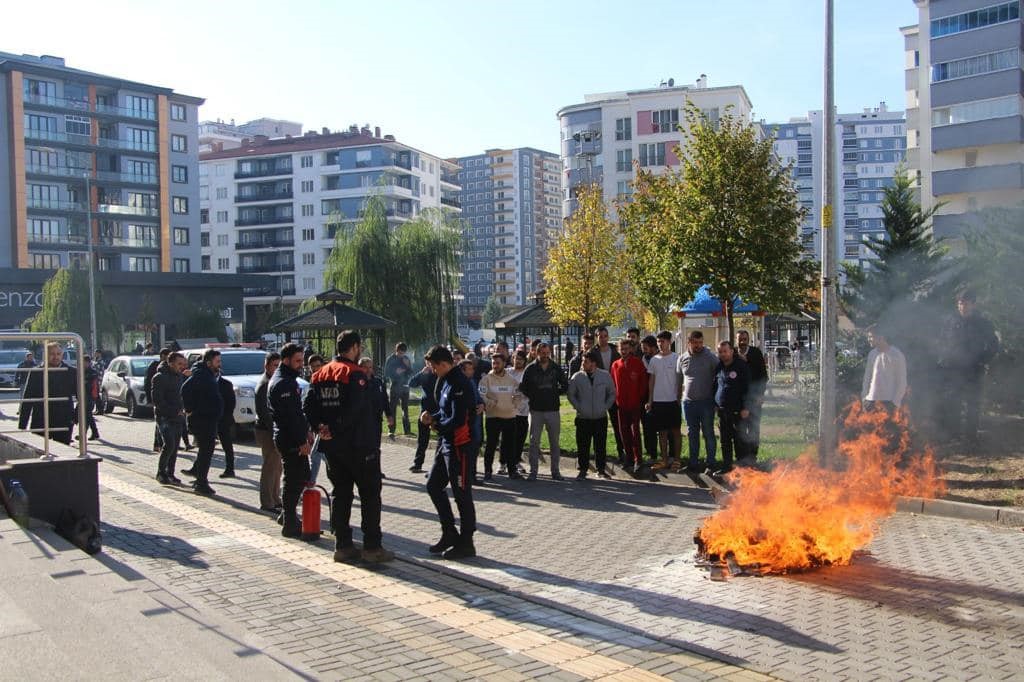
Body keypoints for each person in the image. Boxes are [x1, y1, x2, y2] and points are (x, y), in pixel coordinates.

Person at [303, 331, 393, 563]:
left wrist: (320, 427)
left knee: (341, 494)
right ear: (354, 347)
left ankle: (342, 545)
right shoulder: (355, 374)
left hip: (332, 447)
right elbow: (355, 410)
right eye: (359, 347)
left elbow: (308, 405)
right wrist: (335, 427)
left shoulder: (320, 374)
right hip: (358, 445)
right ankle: (372, 547)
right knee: (370, 495)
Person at [420, 344, 478, 560]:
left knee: (462, 494)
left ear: (443, 364)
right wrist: (432, 416)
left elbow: (458, 419)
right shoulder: (445, 381)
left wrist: (436, 424)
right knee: (434, 485)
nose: (433, 371)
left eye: (434, 367)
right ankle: (449, 532)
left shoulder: (459, 383)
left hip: (460, 445)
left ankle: (467, 542)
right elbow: (445, 410)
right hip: (446, 443)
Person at [937, 289, 999, 447]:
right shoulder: (950, 321)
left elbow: (993, 345)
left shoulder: (983, 323)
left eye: (964, 302)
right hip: (954, 370)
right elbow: (942, 341)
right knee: (953, 402)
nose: (961, 305)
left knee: (973, 403)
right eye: (959, 302)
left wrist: (982, 361)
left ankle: (971, 437)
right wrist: (944, 358)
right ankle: (953, 435)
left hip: (974, 370)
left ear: (973, 304)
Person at [270, 343, 312, 537]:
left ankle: (288, 515)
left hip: (290, 435)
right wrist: (301, 441)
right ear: (286, 360)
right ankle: (289, 522)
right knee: (293, 479)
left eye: (301, 360)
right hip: (289, 438)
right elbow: (291, 417)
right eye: (297, 360)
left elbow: (297, 414)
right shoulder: (283, 382)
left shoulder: (287, 379)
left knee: (301, 474)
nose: (300, 364)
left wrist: (306, 432)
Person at [519, 342, 568, 481]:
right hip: (536, 410)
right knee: (534, 442)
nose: (545, 355)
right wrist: (534, 395)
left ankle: (555, 471)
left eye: (547, 353)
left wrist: (554, 393)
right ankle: (533, 471)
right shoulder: (530, 369)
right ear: (536, 352)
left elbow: (565, 385)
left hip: (553, 409)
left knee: (554, 442)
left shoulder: (556, 367)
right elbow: (523, 387)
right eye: (542, 353)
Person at [180, 349, 224, 496]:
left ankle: (197, 473)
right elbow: (185, 389)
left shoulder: (208, 374)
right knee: (206, 450)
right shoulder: (201, 374)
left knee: (206, 450)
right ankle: (201, 483)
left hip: (209, 418)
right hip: (202, 419)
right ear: (208, 362)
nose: (219, 364)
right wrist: (190, 409)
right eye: (217, 362)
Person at [567, 350, 616, 479]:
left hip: (600, 417)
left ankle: (601, 469)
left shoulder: (605, 376)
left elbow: (612, 393)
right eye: (583, 361)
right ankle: (583, 469)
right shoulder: (577, 377)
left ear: (594, 363)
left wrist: (605, 407)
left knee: (600, 445)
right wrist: (579, 407)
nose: (583, 364)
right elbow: (571, 394)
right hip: (583, 418)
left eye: (586, 362)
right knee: (583, 445)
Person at [19, 342, 77, 445]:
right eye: (52, 354)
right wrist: (22, 425)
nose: (55, 357)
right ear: (45, 355)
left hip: (63, 420)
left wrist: (76, 417)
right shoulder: (36, 372)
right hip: (41, 420)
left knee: (62, 454)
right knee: (39, 452)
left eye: (58, 354)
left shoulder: (71, 372)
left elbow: (82, 396)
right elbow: (27, 399)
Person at [678, 330, 718, 473]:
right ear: (689, 342)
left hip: (706, 402)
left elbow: (720, 375)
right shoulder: (682, 358)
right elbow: (679, 380)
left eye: (701, 342)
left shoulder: (710, 357)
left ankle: (711, 463)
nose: (698, 345)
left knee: (708, 432)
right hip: (688, 404)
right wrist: (679, 399)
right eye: (695, 343)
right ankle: (693, 463)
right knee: (692, 433)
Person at [478, 353, 520, 481]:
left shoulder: (511, 380)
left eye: (498, 363)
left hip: (509, 416)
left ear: (504, 363)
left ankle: (512, 471)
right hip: (493, 417)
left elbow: (518, 394)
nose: (495, 365)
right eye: (493, 363)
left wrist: (514, 405)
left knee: (510, 445)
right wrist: (491, 404)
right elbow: (482, 395)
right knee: (491, 445)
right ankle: (488, 471)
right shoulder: (486, 379)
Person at [646, 331, 682, 471]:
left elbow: (680, 379)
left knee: (676, 431)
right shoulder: (654, 360)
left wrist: (679, 397)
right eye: (659, 341)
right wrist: (650, 400)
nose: (661, 344)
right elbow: (651, 381)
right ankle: (664, 459)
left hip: (673, 401)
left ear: (669, 342)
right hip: (658, 401)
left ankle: (677, 460)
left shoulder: (676, 358)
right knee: (662, 432)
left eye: (663, 341)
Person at [610, 339, 648, 473]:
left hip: (635, 404)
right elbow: (613, 384)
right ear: (619, 350)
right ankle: (629, 458)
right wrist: (616, 399)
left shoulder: (637, 363)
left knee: (635, 432)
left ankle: (639, 459)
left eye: (626, 349)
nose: (624, 351)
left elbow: (643, 383)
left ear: (631, 349)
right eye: (622, 349)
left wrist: (640, 399)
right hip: (621, 405)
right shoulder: (615, 365)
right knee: (623, 432)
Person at [713, 340, 750, 475]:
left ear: (731, 351)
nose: (722, 354)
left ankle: (742, 470)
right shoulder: (719, 367)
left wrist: (746, 407)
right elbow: (715, 386)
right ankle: (727, 467)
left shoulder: (740, 366)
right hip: (723, 411)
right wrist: (715, 404)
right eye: (720, 352)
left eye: (725, 351)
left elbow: (747, 388)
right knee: (725, 441)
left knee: (739, 441)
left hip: (738, 411)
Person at [254, 351, 283, 512]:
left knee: (277, 467)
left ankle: (275, 498)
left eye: (279, 366)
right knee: (270, 467)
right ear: (266, 366)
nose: (277, 368)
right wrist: (274, 431)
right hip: (266, 431)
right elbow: (264, 412)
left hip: (272, 429)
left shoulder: (273, 381)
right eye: (274, 365)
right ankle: (267, 502)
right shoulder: (265, 383)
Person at [152, 352, 187, 485]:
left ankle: (170, 473)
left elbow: (181, 395)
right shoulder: (159, 377)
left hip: (178, 417)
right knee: (169, 445)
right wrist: (173, 411)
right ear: (170, 363)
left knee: (175, 446)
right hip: (164, 417)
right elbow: (158, 401)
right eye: (179, 364)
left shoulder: (179, 376)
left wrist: (183, 409)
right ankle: (161, 473)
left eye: (183, 364)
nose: (182, 367)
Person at [736, 330, 768, 460]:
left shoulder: (755, 352)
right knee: (739, 429)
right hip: (738, 399)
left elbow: (763, 376)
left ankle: (752, 455)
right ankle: (741, 456)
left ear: (748, 339)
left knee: (753, 427)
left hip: (754, 398)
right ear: (736, 339)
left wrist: (761, 395)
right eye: (740, 339)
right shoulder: (732, 352)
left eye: (745, 339)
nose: (743, 341)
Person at [861, 326, 907, 413]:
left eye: (871, 337)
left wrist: (895, 402)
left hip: (888, 402)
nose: (869, 339)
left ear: (881, 337)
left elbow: (902, 381)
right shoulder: (872, 354)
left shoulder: (897, 355)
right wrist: (864, 398)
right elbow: (867, 378)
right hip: (871, 402)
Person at [408, 362, 437, 473]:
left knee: (442, 440)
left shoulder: (440, 374)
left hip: (439, 411)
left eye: (431, 362)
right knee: (422, 440)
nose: (429, 365)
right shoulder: (425, 374)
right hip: (425, 411)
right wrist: (421, 373)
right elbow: (411, 383)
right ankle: (418, 464)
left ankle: (437, 467)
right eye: (427, 363)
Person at [507, 350, 530, 476]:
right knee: (508, 438)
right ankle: (504, 462)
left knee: (520, 438)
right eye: (516, 358)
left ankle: (516, 461)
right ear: (512, 359)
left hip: (523, 411)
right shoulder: (507, 372)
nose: (518, 361)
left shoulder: (527, 372)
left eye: (521, 359)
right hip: (509, 411)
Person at [383, 343, 413, 439]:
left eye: (403, 353)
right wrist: (396, 372)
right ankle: (391, 430)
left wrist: (408, 366)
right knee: (392, 409)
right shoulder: (391, 359)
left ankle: (407, 430)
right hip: (395, 386)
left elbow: (411, 372)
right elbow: (386, 373)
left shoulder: (406, 359)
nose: (401, 355)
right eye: (400, 353)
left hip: (405, 386)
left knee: (405, 409)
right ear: (396, 351)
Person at [145, 348, 171, 452]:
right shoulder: (155, 366)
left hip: (168, 399)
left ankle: (163, 443)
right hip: (158, 400)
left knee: (163, 424)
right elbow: (148, 382)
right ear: (162, 356)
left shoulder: (170, 368)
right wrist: (149, 399)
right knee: (159, 423)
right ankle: (158, 444)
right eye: (167, 356)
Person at [305, 354, 326, 482]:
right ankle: (339, 482)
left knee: (316, 455)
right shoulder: (312, 380)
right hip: (317, 424)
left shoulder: (326, 380)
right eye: (312, 367)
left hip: (324, 424)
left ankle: (310, 483)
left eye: (318, 366)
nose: (315, 369)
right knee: (323, 455)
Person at [639, 335, 659, 461]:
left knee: (664, 428)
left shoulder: (660, 359)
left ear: (653, 347)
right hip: (646, 397)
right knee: (647, 427)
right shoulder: (643, 359)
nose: (644, 350)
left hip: (661, 396)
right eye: (643, 348)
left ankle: (669, 455)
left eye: (646, 348)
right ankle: (651, 453)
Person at [216, 371, 236, 478]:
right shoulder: (206, 382)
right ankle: (196, 469)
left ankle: (230, 469)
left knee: (227, 445)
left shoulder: (226, 384)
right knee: (205, 445)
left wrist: (226, 416)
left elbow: (231, 403)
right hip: (209, 420)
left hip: (223, 420)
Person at [77, 356, 101, 441]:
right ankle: (95, 433)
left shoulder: (92, 372)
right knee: (88, 416)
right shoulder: (81, 371)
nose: (82, 364)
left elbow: (92, 385)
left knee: (87, 416)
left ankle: (83, 435)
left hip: (90, 396)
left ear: (87, 362)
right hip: (83, 396)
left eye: (83, 362)